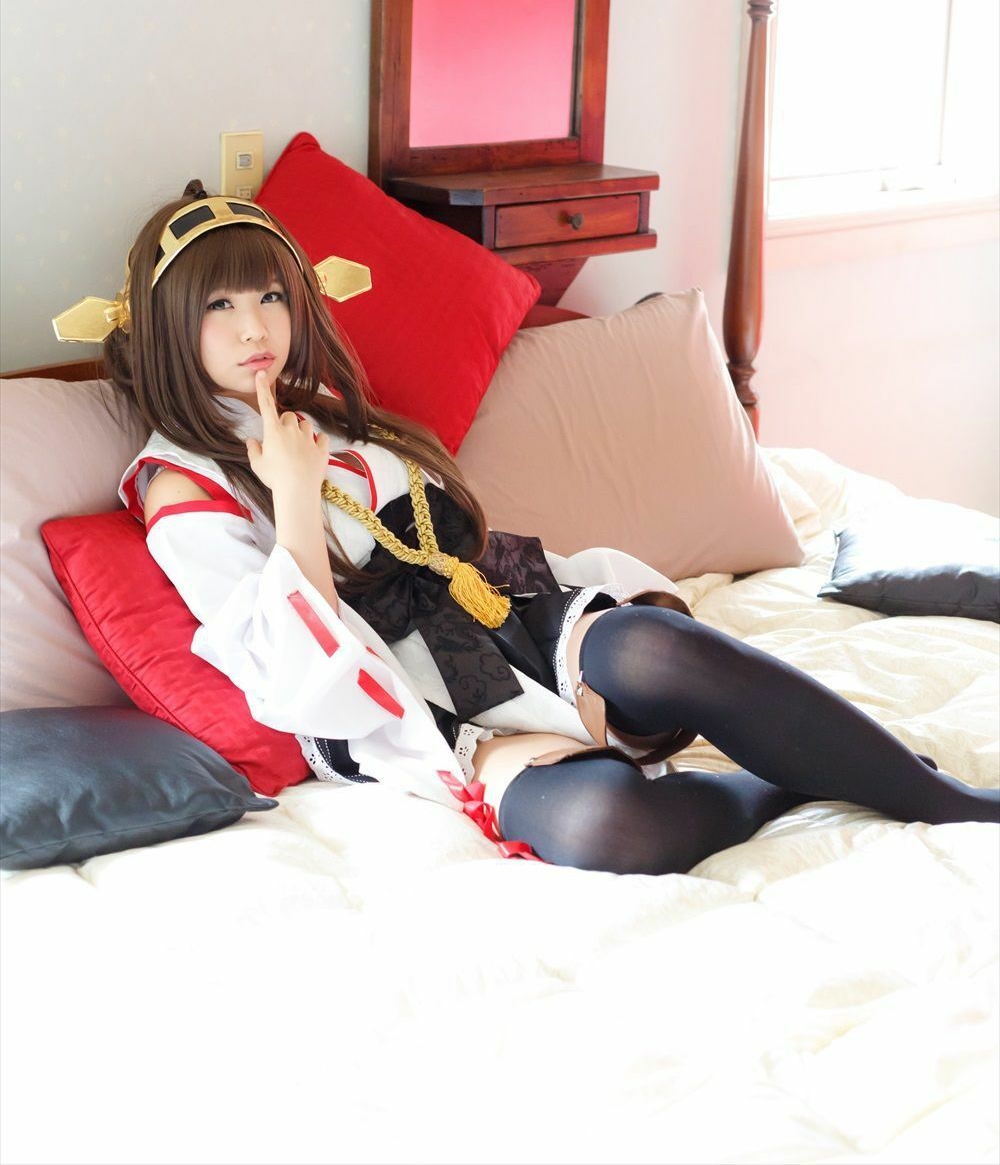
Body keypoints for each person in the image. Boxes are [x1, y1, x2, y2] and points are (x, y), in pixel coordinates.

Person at [54, 186, 1000, 874]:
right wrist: (294, 500)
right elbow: (288, 676)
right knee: (608, 827)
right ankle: (792, 777)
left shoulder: (326, 413)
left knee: (659, 648)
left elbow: (461, 546)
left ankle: (943, 800)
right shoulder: (178, 487)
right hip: (404, 704)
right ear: (171, 327)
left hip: (508, 621)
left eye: (270, 296)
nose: (253, 327)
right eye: (218, 307)